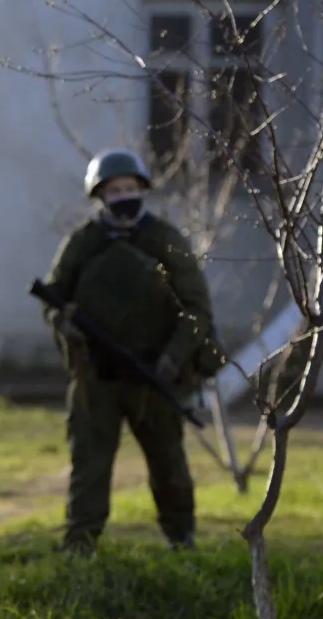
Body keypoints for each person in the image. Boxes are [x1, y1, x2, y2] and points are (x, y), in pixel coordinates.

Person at [43, 148, 219, 555]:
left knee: (169, 465)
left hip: (155, 375)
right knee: (89, 466)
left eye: (130, 188)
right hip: (96, 378)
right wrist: (65, 325)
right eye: (115, 191)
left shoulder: (166, 240)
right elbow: (54, 298)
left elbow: (197, 309)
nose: (124, 197)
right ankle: (80, 547)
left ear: (142, 189)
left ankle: (182, 541)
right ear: (99, 196)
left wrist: (173, 357)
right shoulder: (83, 242)